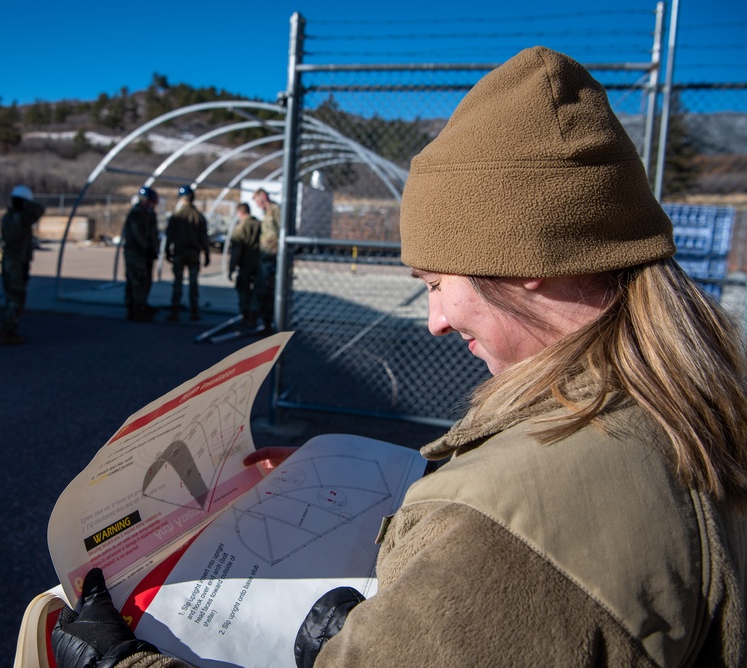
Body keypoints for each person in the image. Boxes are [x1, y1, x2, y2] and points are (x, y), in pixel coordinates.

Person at [49, 47, 747, 667]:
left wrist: (119, 665)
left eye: (439, 283)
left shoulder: (507, 536)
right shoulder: (694, 403)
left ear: (525, 262)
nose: (437, 321)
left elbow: (521, 552)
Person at [0, 185, 46, 345]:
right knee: (17, 297)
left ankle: (8, 328)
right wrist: (28, 204)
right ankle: (7, 331)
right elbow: (40, 209)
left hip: (9, 260)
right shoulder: (21, 218)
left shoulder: (8, 217)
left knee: (11, 295)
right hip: (17, 261)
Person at [164, 185, 210, 322]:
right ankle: (194, 312)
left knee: (177, 283)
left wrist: (167, 251)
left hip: (179, 253)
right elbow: (204, 238)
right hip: (193, 253)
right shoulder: (199, 216)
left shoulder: (176, 216)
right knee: (193, 283)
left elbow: (169, 235)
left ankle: (175, 312)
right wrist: (206, 254)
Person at [122, 186, 160, 323]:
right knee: (136, 280)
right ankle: (136, 309)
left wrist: (154, 249)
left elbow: (153, 234)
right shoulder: (137, 214)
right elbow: (139, 234)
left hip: (145, 253)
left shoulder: (148, 213)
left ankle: (141, 305)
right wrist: (147, 247)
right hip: (136, 253)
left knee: (144, 280)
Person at [227, 202, 261, 327]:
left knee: (243, 291)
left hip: (245, 264)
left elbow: (236, 251)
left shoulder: (240, 228)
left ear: (240, 213)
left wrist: (231, 268)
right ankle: (254, 316)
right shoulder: (260, 225)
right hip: (259, 263)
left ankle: (245, 317)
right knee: (257, 291)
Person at [253, 188, 280, 333]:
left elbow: (281, 231)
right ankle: (266, 323)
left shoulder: (276, 210)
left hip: (272, 258)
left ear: (263, 197)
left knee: (269, 292)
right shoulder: (266, 214)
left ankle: (272, 323)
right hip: (264, 259)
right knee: (262, 292)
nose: (258, 206)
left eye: (258, 201)